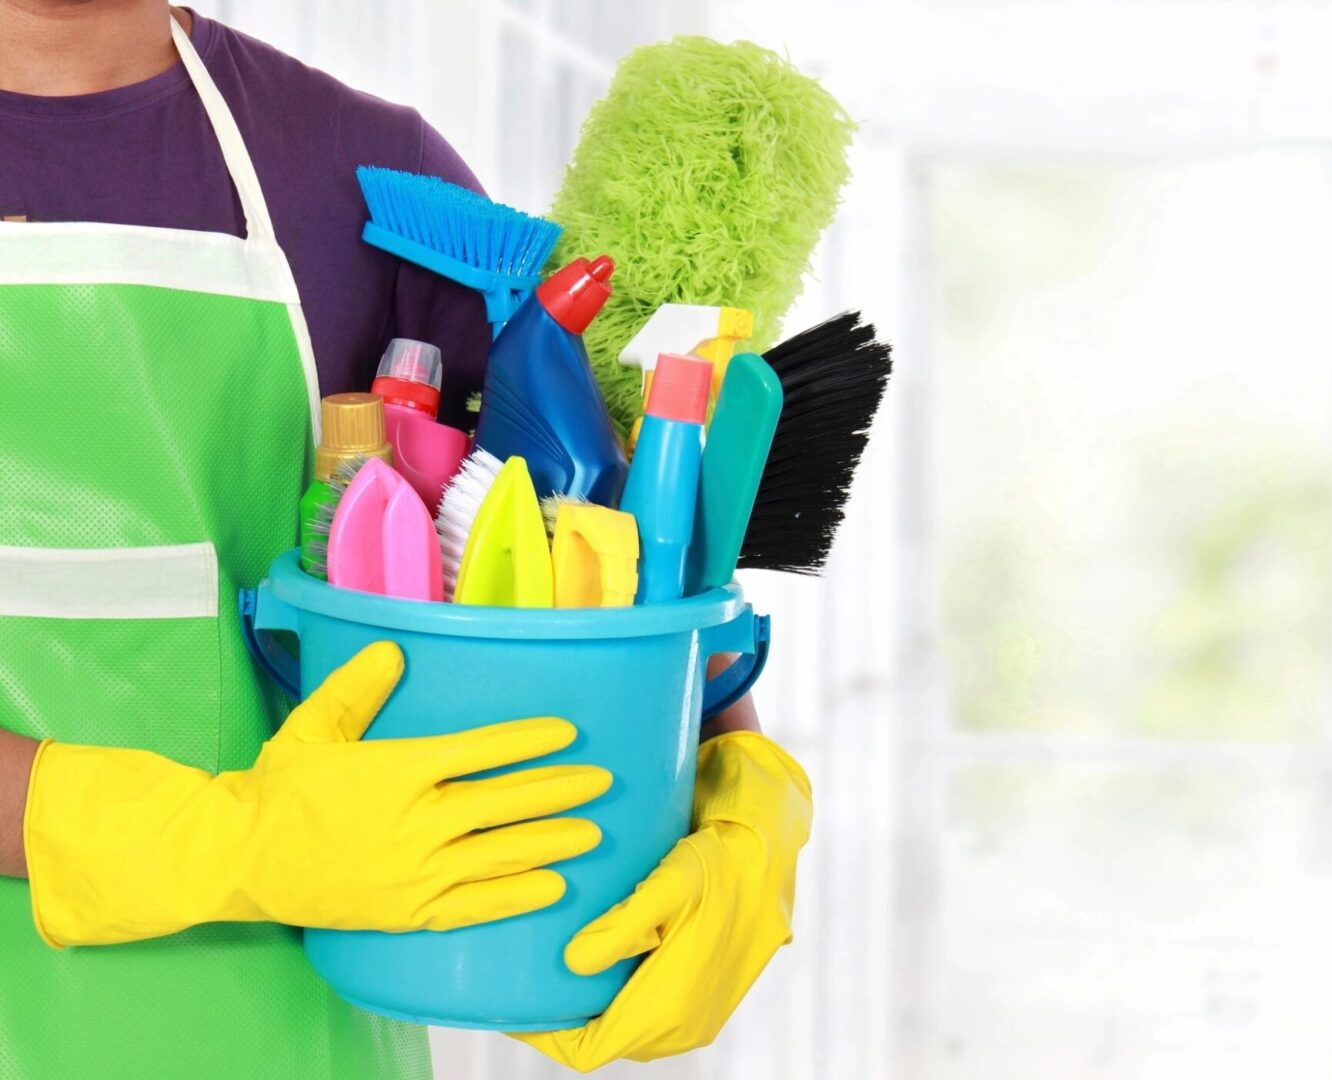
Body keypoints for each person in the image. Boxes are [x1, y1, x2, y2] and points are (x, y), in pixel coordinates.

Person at [0, 3, 813, 1077]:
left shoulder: (364, 174)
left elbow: (595, 571)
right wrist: (215, 843)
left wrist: (739, 801)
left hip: (287, 1036)